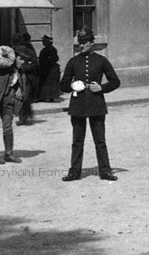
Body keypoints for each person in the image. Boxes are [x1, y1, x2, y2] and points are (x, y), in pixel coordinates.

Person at [59, 28, 121, 182]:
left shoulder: (101, 61)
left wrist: (102, 87)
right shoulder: (73, 62)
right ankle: (74, 172)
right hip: (78, 106)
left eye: (85, 42)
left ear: (92, 42)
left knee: (100, 141)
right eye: (79, 43)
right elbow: (63, 84)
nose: (81, 46)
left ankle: (105, 171)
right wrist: (73, 85)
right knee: (77, 141)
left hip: (96, 105)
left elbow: (115, 81)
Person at [0, 47, 32, 164]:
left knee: (8, 127)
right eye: (21, 59)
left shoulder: (20, 71)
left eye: (24, 60)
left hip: (9, 101)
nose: (22, 62)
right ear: (15, 58)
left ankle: (9, 154)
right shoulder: (2, 67)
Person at [38, 35, 61, 102]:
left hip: (48, 69)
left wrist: (47, 63)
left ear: (48, 42)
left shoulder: (47, 50)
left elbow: (55, 58)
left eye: (44, 41)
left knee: (47, 83)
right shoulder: (52, 49)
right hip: (49, 69)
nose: (43, 42)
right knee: (50, 84)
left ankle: (46, 97)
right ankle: (50, 97)